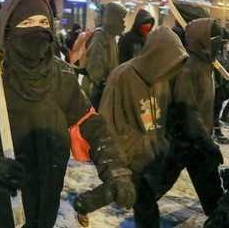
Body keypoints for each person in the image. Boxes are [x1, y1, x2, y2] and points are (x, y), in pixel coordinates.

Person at [0, 0, 136, 228]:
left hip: (45, 202)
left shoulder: (62, 74)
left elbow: (89, 123)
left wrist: (114, 166)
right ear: (7, 28)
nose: (36, 30)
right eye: (26, 22)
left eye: (43, 22)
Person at [73, 26, 188, 227]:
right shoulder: (122, 77)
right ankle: (84, 203)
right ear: (155, 54)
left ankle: (84, 203)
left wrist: (160, 144)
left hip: (149, 154)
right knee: (144, 203)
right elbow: (107, 121)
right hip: (127, 151)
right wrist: (119, 157)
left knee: (121, 191)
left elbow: (160, 118)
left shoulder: (161, 79)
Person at [160, 18, 225, 218]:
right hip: (184, 141)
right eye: (216, 38)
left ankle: (219, 219)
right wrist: (207, 143)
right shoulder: (188, 67)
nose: (220, 42)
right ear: (204, 39)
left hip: (197, 141)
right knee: (157, 184)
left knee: (212, 193)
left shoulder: (207, 64)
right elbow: (187, 110)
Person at [81, 2, 127, 111]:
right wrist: (101, 82)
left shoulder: (110, 36)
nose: (123, 22)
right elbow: (94, 61)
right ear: (113, 18)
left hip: (104, 89)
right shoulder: (100, 35)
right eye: (121, 19)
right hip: (96, 91)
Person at [213, 27, 229, 143]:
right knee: (214, 110)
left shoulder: (222, 53)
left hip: (220, 86)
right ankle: (216, 131)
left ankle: (216, 129)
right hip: (216, 87)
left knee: (216, 109)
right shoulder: (216, 53)